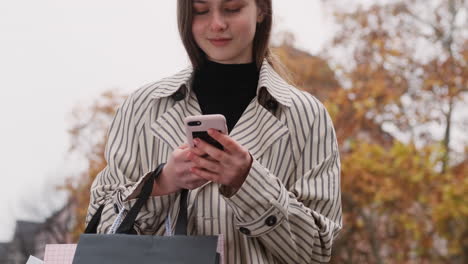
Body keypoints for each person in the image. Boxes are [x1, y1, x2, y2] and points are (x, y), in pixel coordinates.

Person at [85, 0, 342, 263]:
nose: (217, 24)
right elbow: (100, 228)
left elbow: (317, 250)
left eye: (232, 8)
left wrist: (249, 183)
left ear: (262, 10)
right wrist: (162, 183)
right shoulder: (142, 108)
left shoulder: (307, 116)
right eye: (201, 11)